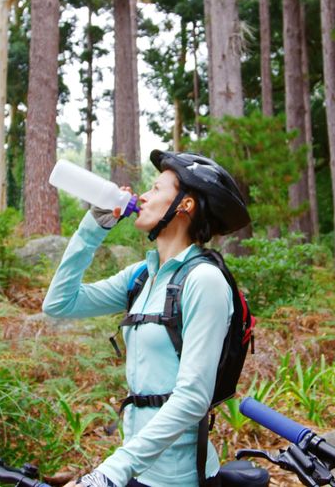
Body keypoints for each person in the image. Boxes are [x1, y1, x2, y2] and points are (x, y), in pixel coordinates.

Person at [44, 150, 251, 487]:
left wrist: (114, 468)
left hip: (179, 477)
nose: (142, 196)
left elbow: (193, 397)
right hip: (137, 468)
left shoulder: (204, 281)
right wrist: (94, 226)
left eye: (156, 189)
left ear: (186, 206)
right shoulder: (142, 276)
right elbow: (59, 303)